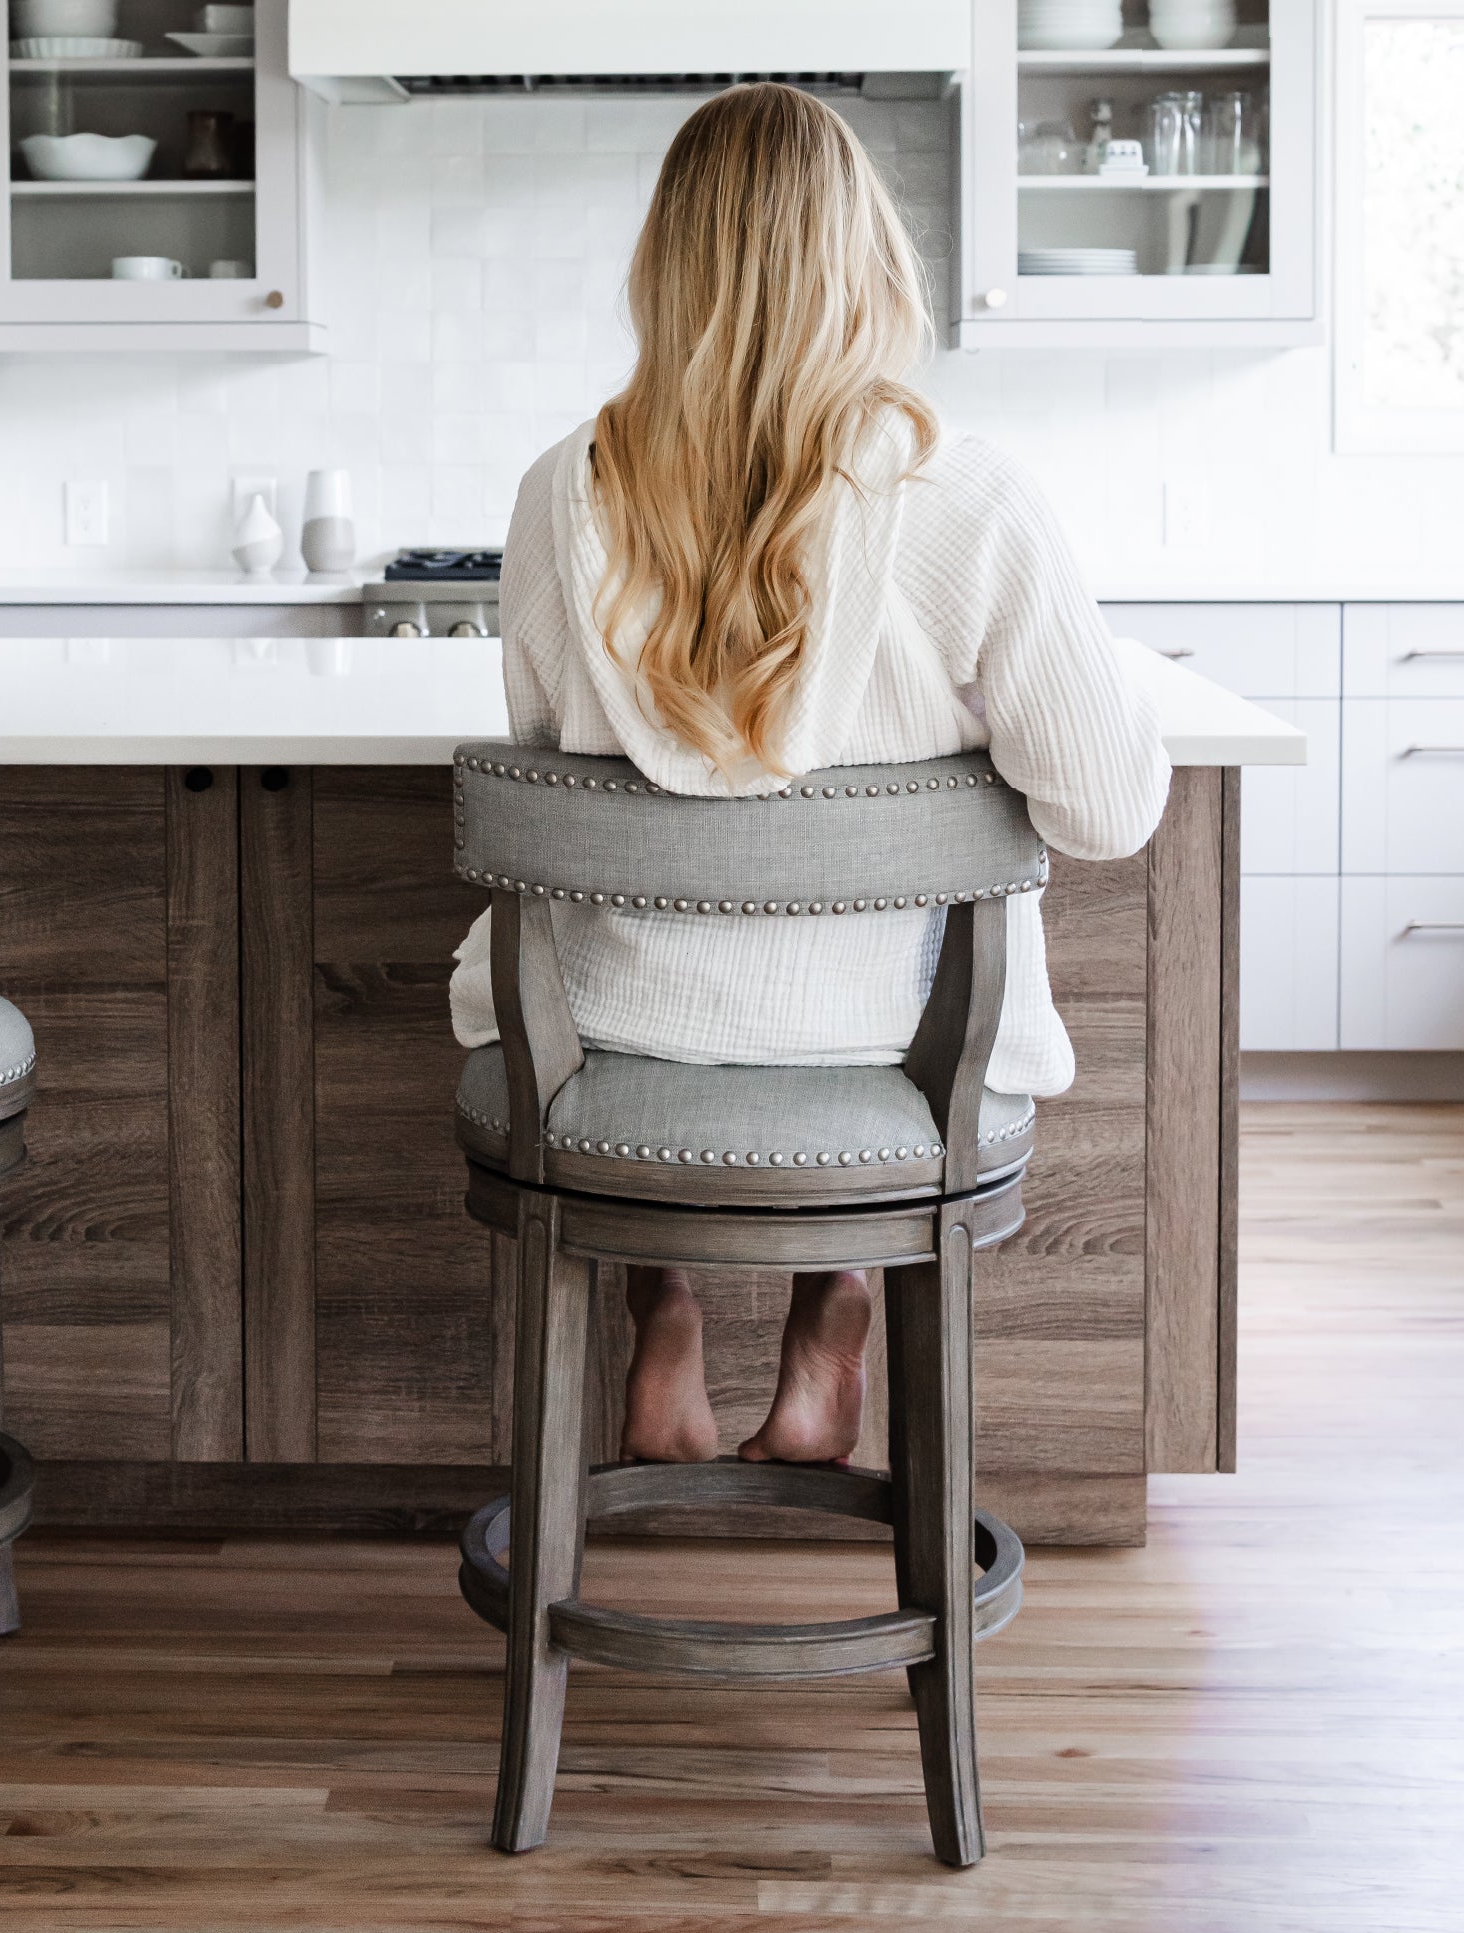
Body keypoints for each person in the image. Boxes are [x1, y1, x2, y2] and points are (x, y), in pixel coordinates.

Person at [450, 82, 1171, 1467]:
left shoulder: (558, 491)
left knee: (624, 976)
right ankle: (837, 1285)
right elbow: (1107, 805)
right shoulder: (968, 500)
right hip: (893, 1062)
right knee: (873, 991)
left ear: (663, 266)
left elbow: (542, 759)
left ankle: (656, 1296)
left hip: (602, 1042)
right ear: (870, 259)